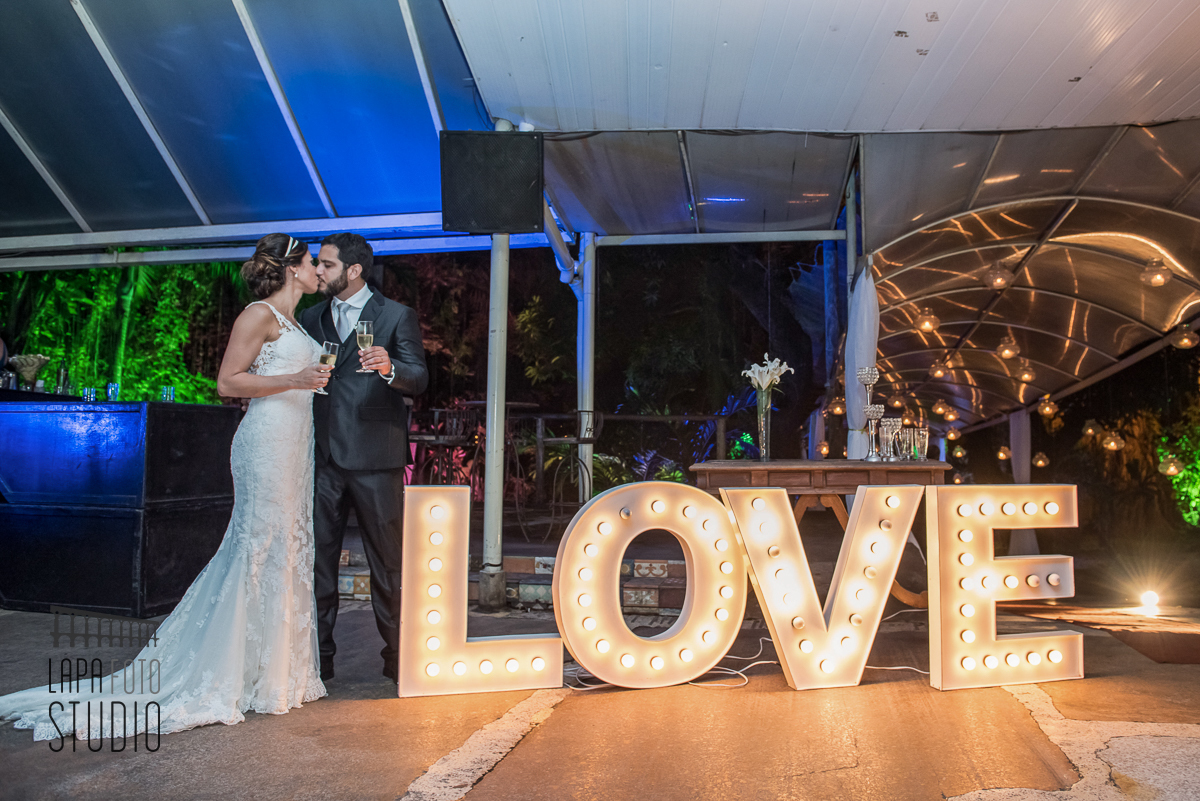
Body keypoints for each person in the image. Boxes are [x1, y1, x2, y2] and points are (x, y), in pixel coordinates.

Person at [0, 234, 331, 740]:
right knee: (258, 547)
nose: (318, 271)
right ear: (291, 269)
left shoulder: (296, 322)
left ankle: (274, 674)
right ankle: (226, 672)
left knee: (288, 545)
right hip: (265, 443)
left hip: (295, 443)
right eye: (312, 263)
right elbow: (227, 382)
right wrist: (295, 380)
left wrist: (309, 378)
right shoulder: (257, 314)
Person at [298, 232, 428, 684]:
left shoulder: (395, 316)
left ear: (354, 271)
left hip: (376, 459)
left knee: (388, 564)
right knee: (317, 562)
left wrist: (390, 367)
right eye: (318, 264)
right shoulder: (311, 317)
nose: (319, 271)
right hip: (322, 458)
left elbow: (419, 378)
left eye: (327, 265)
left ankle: (398, 656)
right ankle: (318, 659)